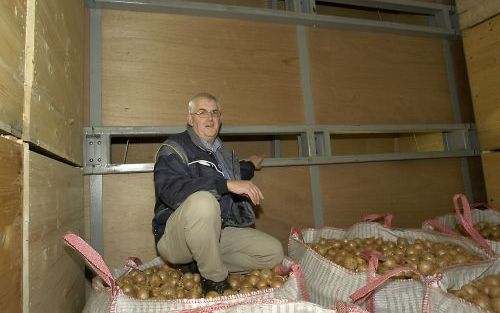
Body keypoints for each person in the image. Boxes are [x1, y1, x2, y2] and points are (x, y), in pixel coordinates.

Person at [152, 92, 284, 294]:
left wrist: (250, 165)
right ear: (190, 119)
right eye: (202, 112)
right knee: (204, 201)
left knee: (272, 253)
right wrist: (224, 185)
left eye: (215, 112)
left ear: (220, 119)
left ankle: (199, 265)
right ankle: (214, 280)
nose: (210, 117)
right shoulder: (173, 147)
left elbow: (236, 176)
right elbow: (170, 190)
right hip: (176, 236)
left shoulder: (225, 155)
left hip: (214, 233)